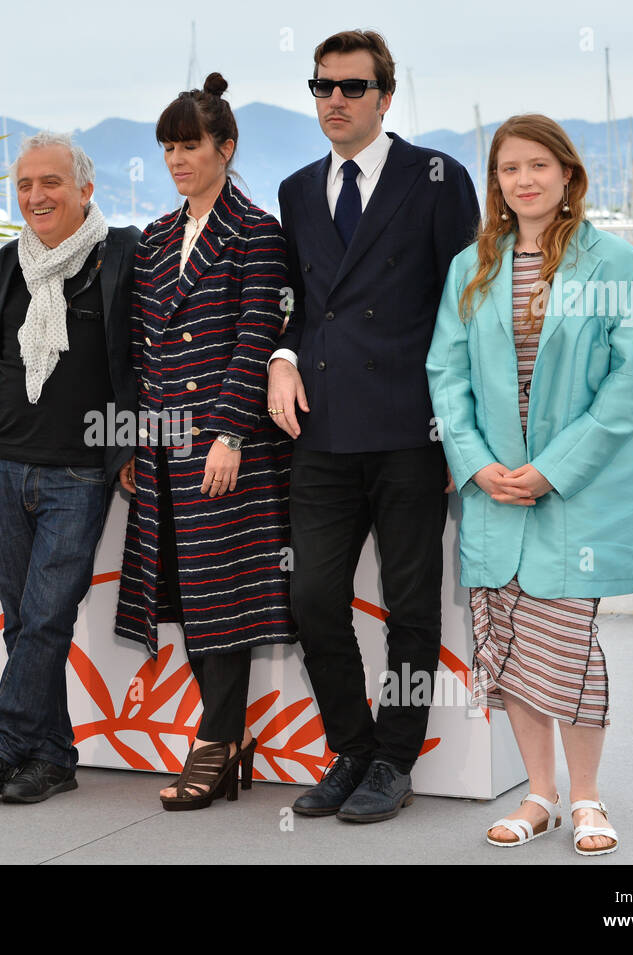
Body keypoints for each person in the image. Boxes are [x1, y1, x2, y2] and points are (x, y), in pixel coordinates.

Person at [426, 114, 633, 856]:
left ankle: (587, 797)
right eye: (507, 169)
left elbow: (628, 388)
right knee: (513, 647)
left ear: (567, 175)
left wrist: (552, 469)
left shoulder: (616, 265)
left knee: (569, 645)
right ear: (495, 182)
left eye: (537, 166)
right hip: (494, 489)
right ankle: (539, 795)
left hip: (572, 492)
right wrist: (476, 463)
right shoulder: (473, 268)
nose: (522, 180)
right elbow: (446, 375)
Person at [267, 30, 479, 821]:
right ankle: (350, 747)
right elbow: (289, 298)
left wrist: (462, 431)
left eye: (351, 88)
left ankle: (395, 758)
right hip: (319, 432)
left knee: (411, 604)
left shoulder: (437, 177)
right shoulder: (295, 190)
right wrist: (281, 357)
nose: (334, 100)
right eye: (321, 86)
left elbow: (467, 309)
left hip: (410, 429)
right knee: (313, 598)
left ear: (386, 96)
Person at [114, 74, 295, 811]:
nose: (178, 159)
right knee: (188, 595)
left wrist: (228, 432)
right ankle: (224, 742)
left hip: (230, 450)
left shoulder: (258, 233)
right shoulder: (156, 237)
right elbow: (138, 348)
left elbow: (257, 337)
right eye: (168, 147)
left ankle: (216, 741)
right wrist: (131, 438)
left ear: (226, 147)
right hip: (162, 449)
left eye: (190, 145)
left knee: (225, 597)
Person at [0, 132, 141, 805]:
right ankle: (55, 755)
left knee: (44, 617)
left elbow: (140, 359)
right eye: (25, 184)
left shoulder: (119, 253)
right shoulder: (7, 263)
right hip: (6, 465)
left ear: (84, 190)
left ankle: (4, 743)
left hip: (78, 472)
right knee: (25, 619)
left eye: (51, 183)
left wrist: (129, 444)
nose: (35, 195)